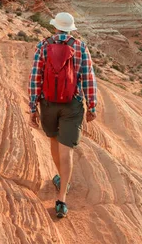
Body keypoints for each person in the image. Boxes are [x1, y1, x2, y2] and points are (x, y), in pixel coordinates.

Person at [28, 12, 98, 218]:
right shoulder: (80, 46)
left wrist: (33, 107)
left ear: (55, 27)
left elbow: (35, 78)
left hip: (48, 103)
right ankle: (61, 200)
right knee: (66, 150)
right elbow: (88, 78)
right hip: (72, 104)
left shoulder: (42, 45)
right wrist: (92, 106)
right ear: (71, 29)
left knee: (53, 141)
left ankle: (60, 177)